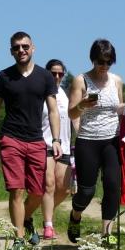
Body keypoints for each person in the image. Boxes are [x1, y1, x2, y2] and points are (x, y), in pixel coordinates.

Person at [0, 31, 61, 250]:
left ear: (33, 48)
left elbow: (53, 111)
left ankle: (25, 218)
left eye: (25, 46)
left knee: (37, 191)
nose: (21, 50)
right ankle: (19, 239)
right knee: (16, 189)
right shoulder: (4, 77)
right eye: (16, 48)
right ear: (11, 51)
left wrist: (56, 139)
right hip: (11, 138)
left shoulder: (45, 77)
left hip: (36, 140)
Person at [67, 39, 125, 246]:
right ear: (93, 60)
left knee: (112, 186)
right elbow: (71, 112)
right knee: (86, 191)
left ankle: (106, 233)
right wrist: (82, 104)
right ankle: (75, 215)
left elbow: (118, 108)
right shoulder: (80, 81)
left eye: (109, 62)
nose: (105, 66)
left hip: (111, 140)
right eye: (101, 62)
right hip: (88, 140)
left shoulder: (116, 81)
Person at [40, 59, 78, 239]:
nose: (56, 76)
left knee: (63, 188)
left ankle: (46, 212)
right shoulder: (40, 93)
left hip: (64, 146)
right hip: (44, 144)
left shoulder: (64, 95)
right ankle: (48, 225)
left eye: (60, 74)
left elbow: (73, 117)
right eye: (53, 73)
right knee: (49, 185)